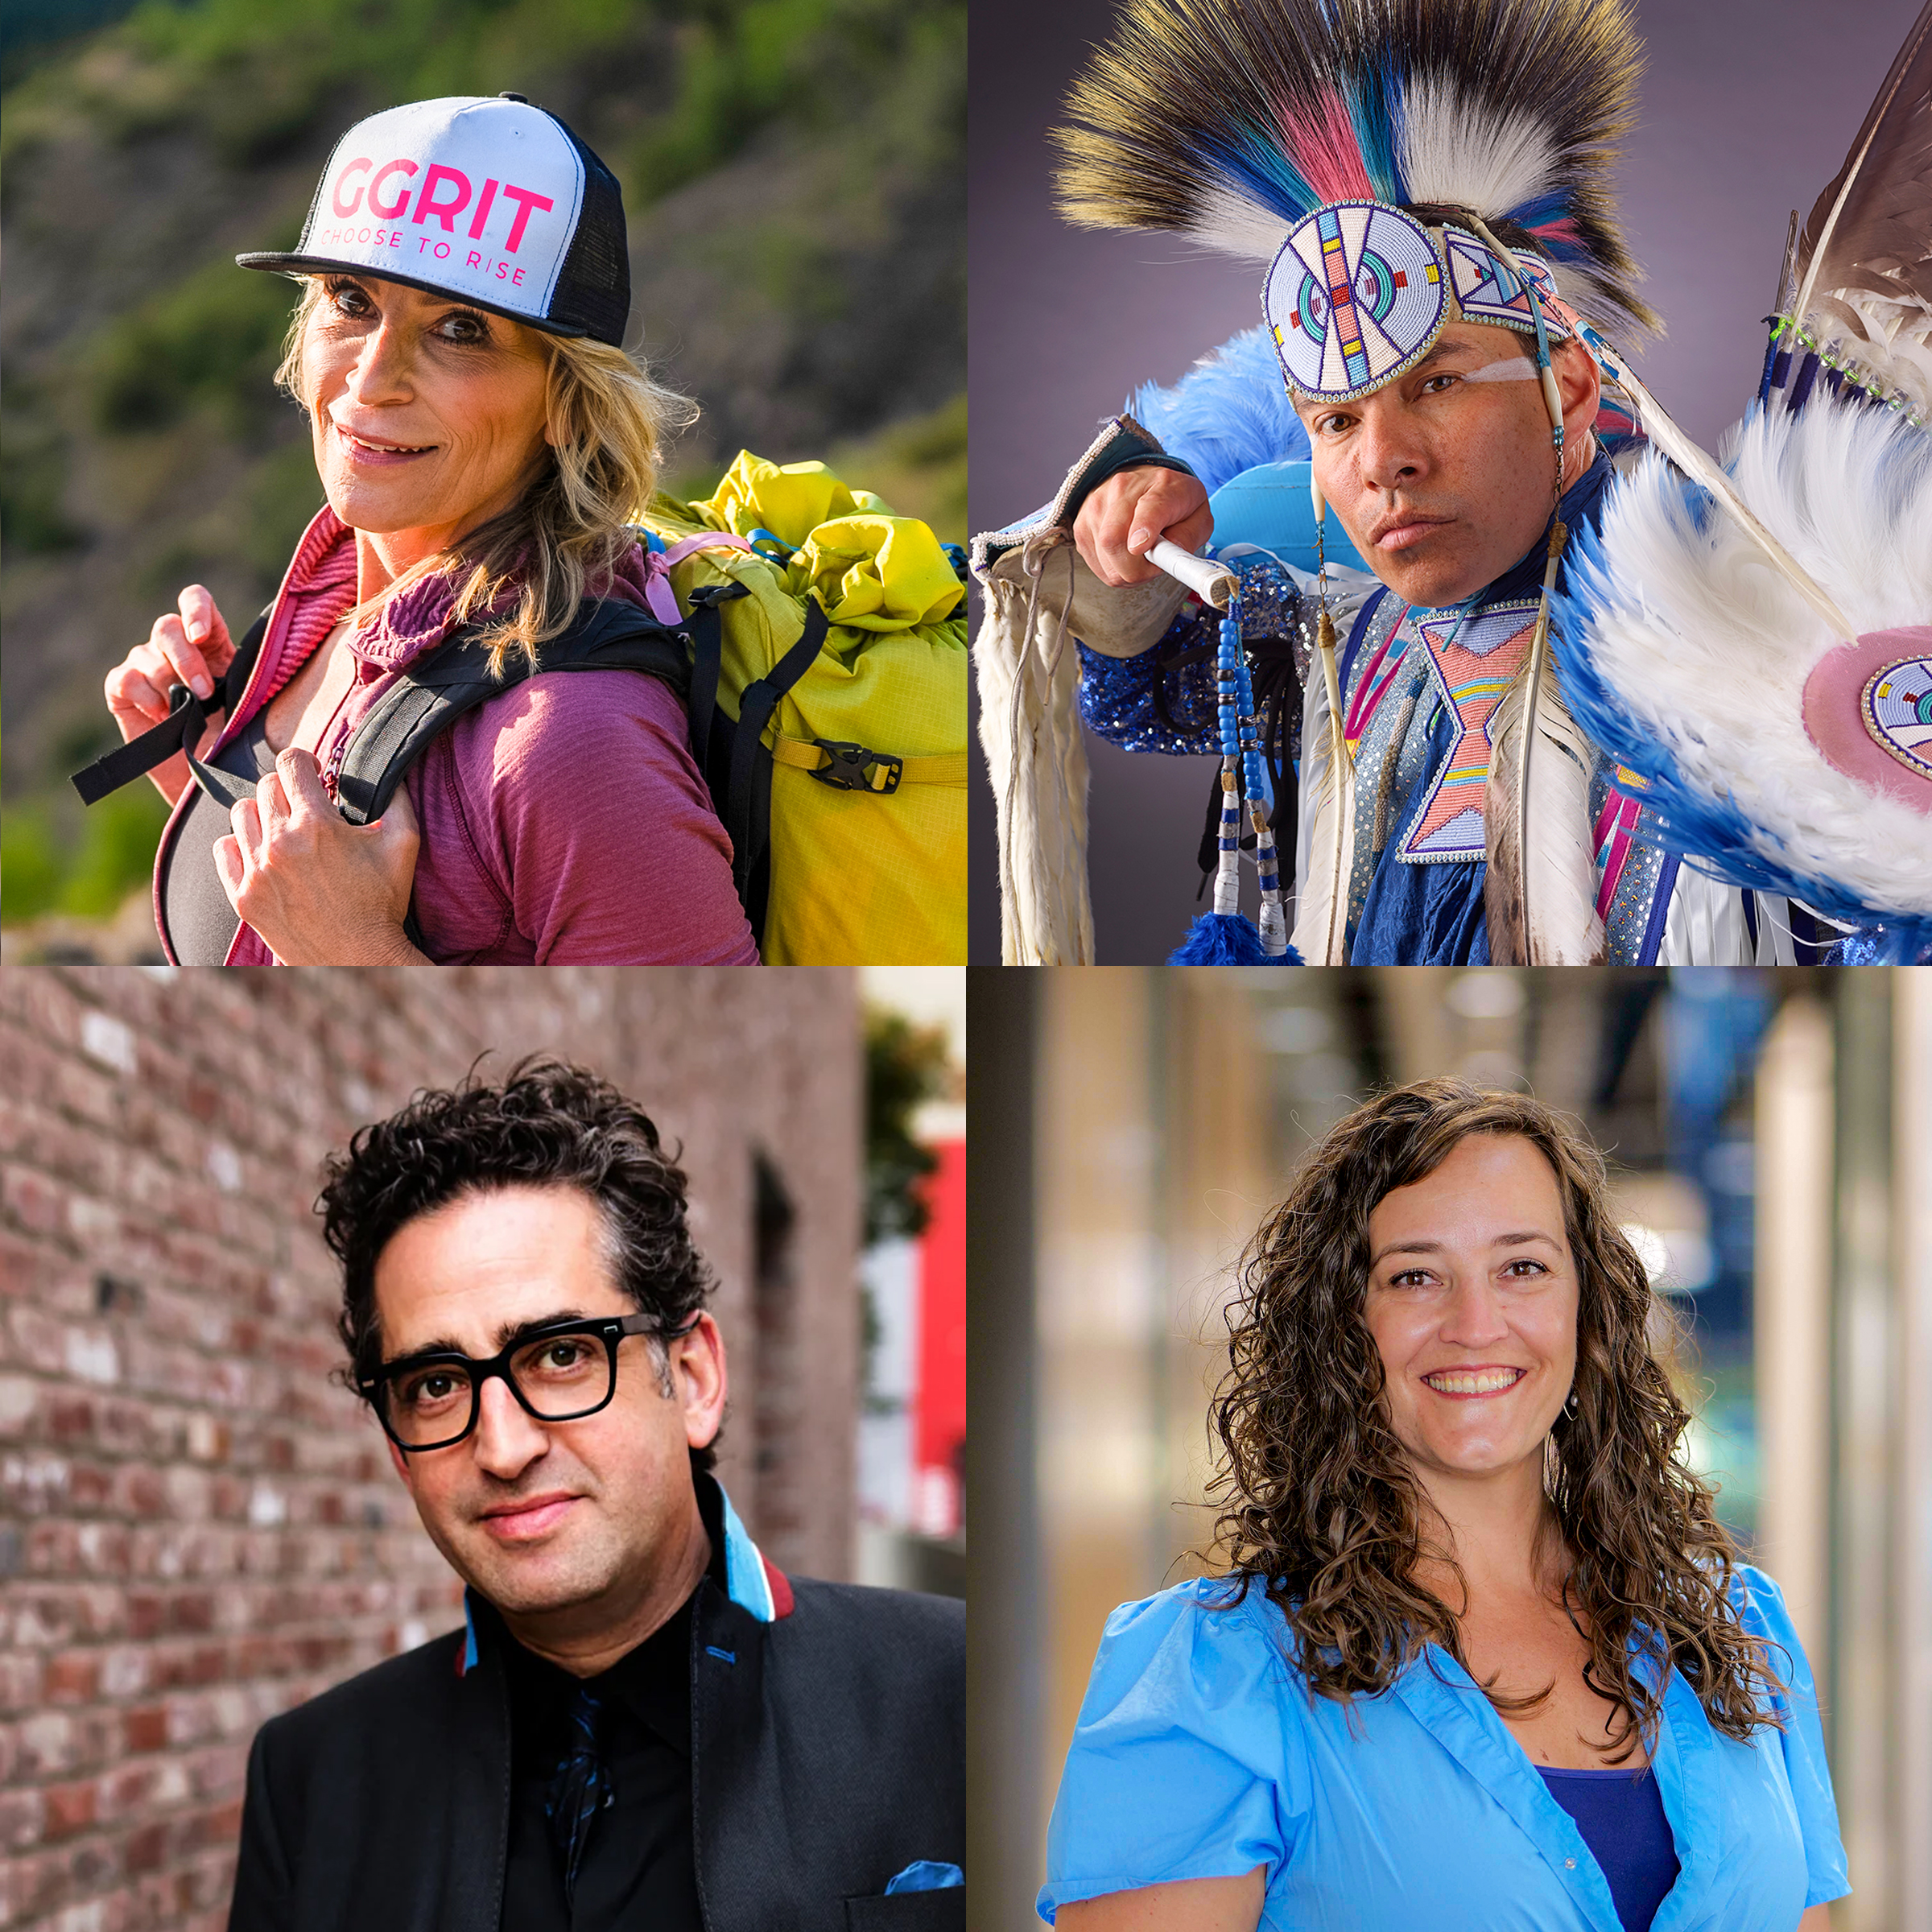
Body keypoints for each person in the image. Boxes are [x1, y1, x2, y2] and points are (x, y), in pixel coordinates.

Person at [972, 0, 1840, 967]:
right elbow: (1152, 695)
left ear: (1570, 383)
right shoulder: (1334, 642)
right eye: (1337, 421)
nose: (1384, 460)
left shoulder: (1757, 629)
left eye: (1437, 384)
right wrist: (1123, 550)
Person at [1040, 1080, 1847, 1931]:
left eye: (1523, 1268)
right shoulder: (1215, 1674)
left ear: (1589, 1310)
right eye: (1416, 1276)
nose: (1475, 1322)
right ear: (1345, 1323)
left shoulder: (1735, 1633)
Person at [226, 1059, 964, 1932]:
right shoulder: (313, 1778)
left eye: (562, 1354)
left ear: (690, 1378)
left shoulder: (949, 1689)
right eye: (435, 1384)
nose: (502, 1447)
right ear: (397, 1448)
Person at [97, 93, 762, 966]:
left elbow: (685, 1085)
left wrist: (354, 952)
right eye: (350, 298)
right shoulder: (322, 626)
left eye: (460, 329)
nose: (373, 381)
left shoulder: (572, 741)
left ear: (567, 402)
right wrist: (218, 777)